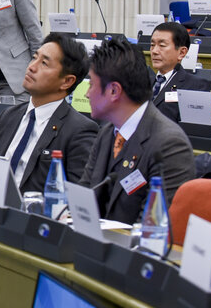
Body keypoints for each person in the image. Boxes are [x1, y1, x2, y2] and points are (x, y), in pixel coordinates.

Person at [79, 39, 195, 225]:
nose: (86, 94)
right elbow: (84, 195)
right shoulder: (107, 132)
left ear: (114, 91)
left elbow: (153, 227)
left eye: (91, 84)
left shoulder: (169, 144)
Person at [0, 34, 98, 193]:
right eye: (34, 58)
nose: (32, 66)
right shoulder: (8, 116)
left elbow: (77, 198)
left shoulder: (80, 131)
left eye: (44, 63)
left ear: (67, 81)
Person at [150, 22, 211, 123]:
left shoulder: (196, 86)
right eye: (152, 45)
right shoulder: (142, 82)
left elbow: (194, 130)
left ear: (182, 53)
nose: (154, 51)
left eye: (162, 45)